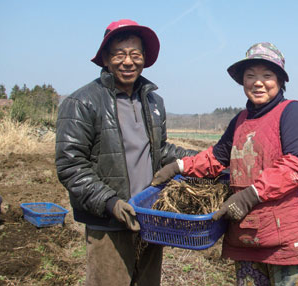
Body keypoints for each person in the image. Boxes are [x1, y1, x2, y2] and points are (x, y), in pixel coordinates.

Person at [152, 42, 298, 285]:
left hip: (287, 242)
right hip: (246, 235)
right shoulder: (240, 120)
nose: (258, 82)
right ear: (242, 81)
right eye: (250, 76)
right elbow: (217, 158)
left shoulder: (293, 112)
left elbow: (294, 167)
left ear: (280, 81)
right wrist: (179, 166)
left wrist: (249, 195)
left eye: (267, 75)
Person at [55, 19, 197, 286]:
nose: (128, 61)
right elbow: (71, 166)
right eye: (119, 54)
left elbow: (160, 150)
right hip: (109, 221)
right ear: (106, 60)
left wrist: (202, 158)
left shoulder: (153, 101)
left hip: (150, 217)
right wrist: (110, 203)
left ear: (144, 58)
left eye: (135, 54)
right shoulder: (82, 102)